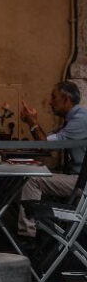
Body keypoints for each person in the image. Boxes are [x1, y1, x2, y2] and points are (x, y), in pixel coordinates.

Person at [18, 80, 87, 240]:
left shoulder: (80, 120)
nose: (50, 102)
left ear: (66, 99)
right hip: (78, 179)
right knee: (39, 174)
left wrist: (32, 122)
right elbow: (47, 139)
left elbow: (47, 146)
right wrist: (33, 123)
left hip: (82, 183)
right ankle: (42, 231)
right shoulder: (74, 118)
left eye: (53, 97)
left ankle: (27, 236)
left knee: (32, 180)